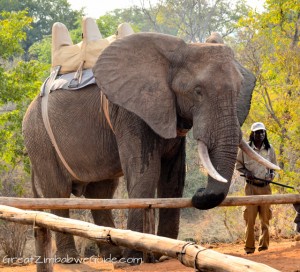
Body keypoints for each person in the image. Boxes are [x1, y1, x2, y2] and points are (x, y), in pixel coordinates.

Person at [236, 122, 278, 254]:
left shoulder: (270, 149)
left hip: (266, 188)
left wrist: (272, 175)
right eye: (258, 132)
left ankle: (264, 247)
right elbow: (238, 166)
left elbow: (274, 167)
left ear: (265, 134)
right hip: (251, 188)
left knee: (265, 220)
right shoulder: (245, 148)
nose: (260, 134)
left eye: (262, 132)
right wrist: (246, 172)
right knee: (250, 219)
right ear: (252, 134)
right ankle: (249, 248)